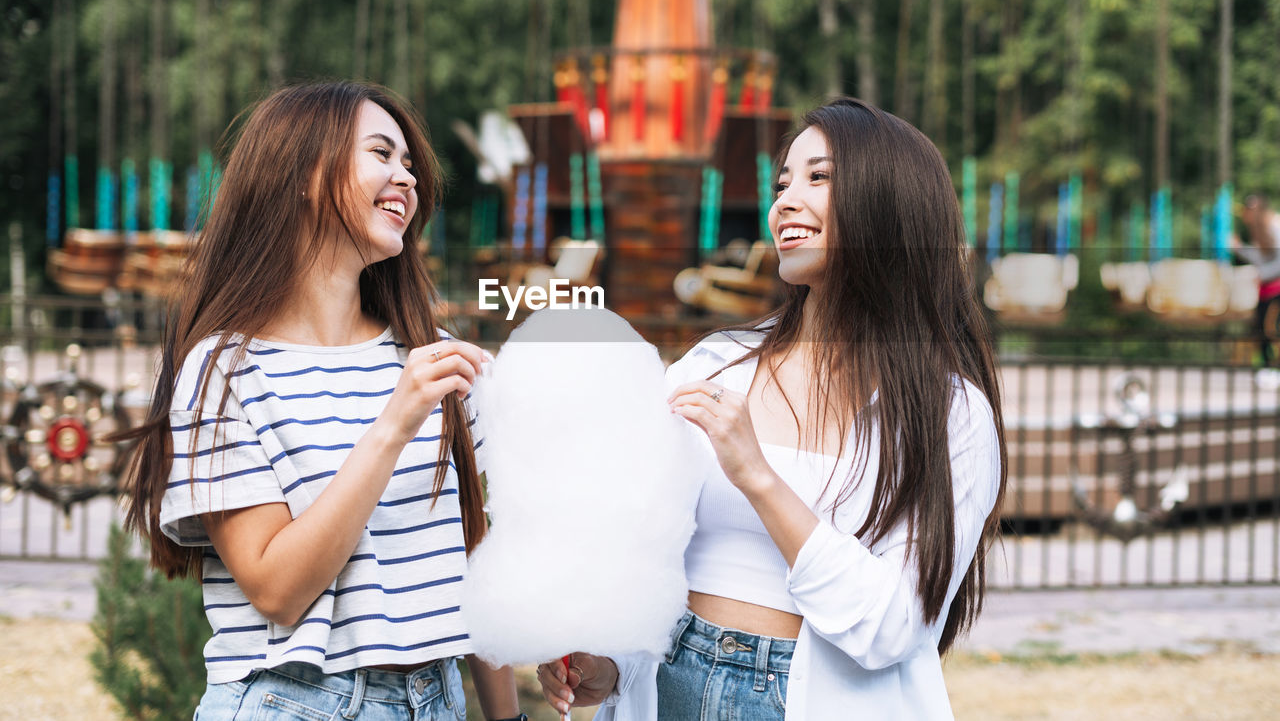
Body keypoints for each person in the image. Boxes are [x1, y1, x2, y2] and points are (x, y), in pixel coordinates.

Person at [536, 97, 1006, 719]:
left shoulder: (949, 413)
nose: (784, 200)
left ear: (891, 205)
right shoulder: (715, 363)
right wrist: (610, 663)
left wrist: (757, 475)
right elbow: (648, 549)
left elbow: (892, 627)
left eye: (819, 177)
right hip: (675, 681)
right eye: (783, 181)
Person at [121, 81, 526, 721]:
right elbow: (278, 589)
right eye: (381, 154)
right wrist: (394, 423)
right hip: (296, 700)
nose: (406, 179)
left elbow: (469, 550)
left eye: (410, 166)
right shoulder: (225, 369)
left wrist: (509, 718)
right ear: (305, 175)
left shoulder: (430, 355)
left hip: (436, 698)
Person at [1232, 194, 1280, 388]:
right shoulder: (1259, 231)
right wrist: (1239, 248)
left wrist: (1263, 273)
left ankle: (1273, 368)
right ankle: (1268, 367)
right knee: (1261, 329)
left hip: (1276, 288)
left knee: (1270, 328)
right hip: (1266, 289)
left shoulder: (1274, 226)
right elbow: (1261, 258)